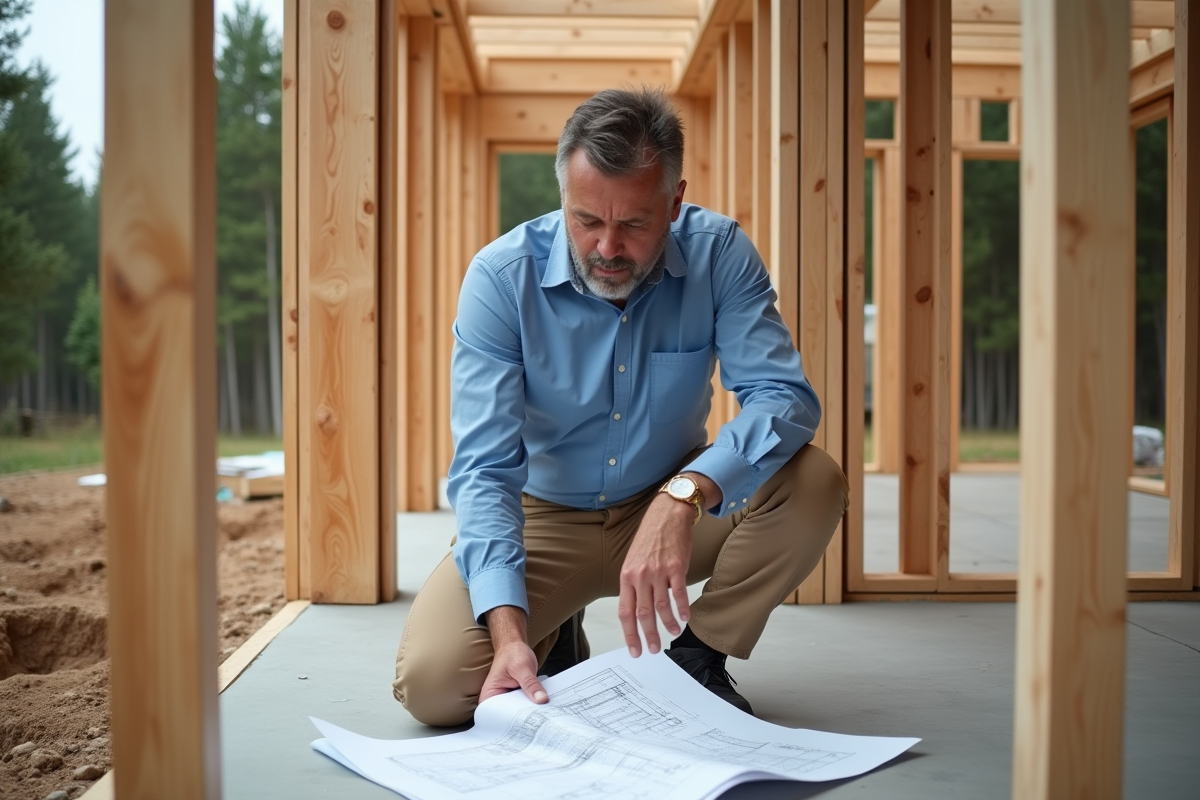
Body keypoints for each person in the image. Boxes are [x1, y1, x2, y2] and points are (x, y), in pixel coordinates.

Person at [393, 87, 847, 727]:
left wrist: (685, 493)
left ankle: (695, 660)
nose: (607, 247)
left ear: (675, 201)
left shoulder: (719, 253)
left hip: (669, 500)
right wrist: (508, 633)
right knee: (436, 688)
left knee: (814, 482)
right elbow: (485, 470)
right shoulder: (500, 279)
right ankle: (549, 635)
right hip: (543, 515)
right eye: (586, 220)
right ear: (562, 200)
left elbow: (783, 398)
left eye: (634, 224)